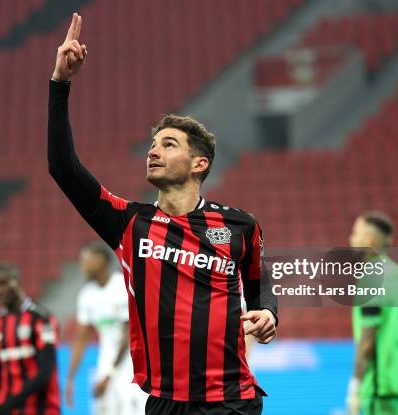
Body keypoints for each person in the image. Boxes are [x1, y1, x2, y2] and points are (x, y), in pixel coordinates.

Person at [48, 13, 277, 415]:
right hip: (163, 402)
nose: (154, 151)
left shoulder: (240, 225)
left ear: (198, 164)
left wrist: (269, 314)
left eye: (168, 144)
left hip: (232, 402)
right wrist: (60, 85)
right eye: (153, 144)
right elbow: (63, 169)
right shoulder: (129, 224)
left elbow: (260, 286)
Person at [346, 212, 398, 415]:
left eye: (355, 233)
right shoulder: (396, 272)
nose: (351, 239)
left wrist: (355, 386)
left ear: (368, 240)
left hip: (380, 384)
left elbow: (368, 339)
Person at [66, 241, 146, 415]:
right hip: (106, 364)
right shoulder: (87, 294)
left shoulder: (121, 287)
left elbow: (129, 336)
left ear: (101, 261)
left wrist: (110, 373)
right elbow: (81, 338)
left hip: (130, 364)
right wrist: (71, 378)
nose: (82, 266)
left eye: (86, 260)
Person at [0, 262, 61, 415]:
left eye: (3, 284)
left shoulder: (42, 319)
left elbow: (44, 374)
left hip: (42, 408)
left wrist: (8, 405)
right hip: (7, 409)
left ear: (17, 281)